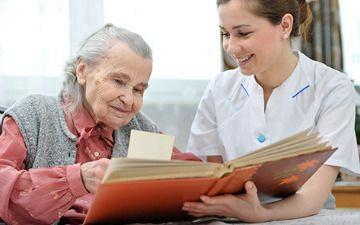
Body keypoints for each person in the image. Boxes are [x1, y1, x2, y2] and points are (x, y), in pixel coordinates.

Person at [0, 24, 198, 225]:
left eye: (139, 90)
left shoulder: (142, 129)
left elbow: (193, 174)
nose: (129, 100)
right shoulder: (34, 114)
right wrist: (79, 179)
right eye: (119, 81)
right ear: (83, 71)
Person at [184, 0, 360, 222]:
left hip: (305, 218)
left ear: (285, 26)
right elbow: (213, 178)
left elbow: (314, 195)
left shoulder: (333, 88)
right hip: (231, 218)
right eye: (225, 34)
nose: (230, 47)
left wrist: (261, 214)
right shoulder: (219, 89)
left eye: (243, 33)